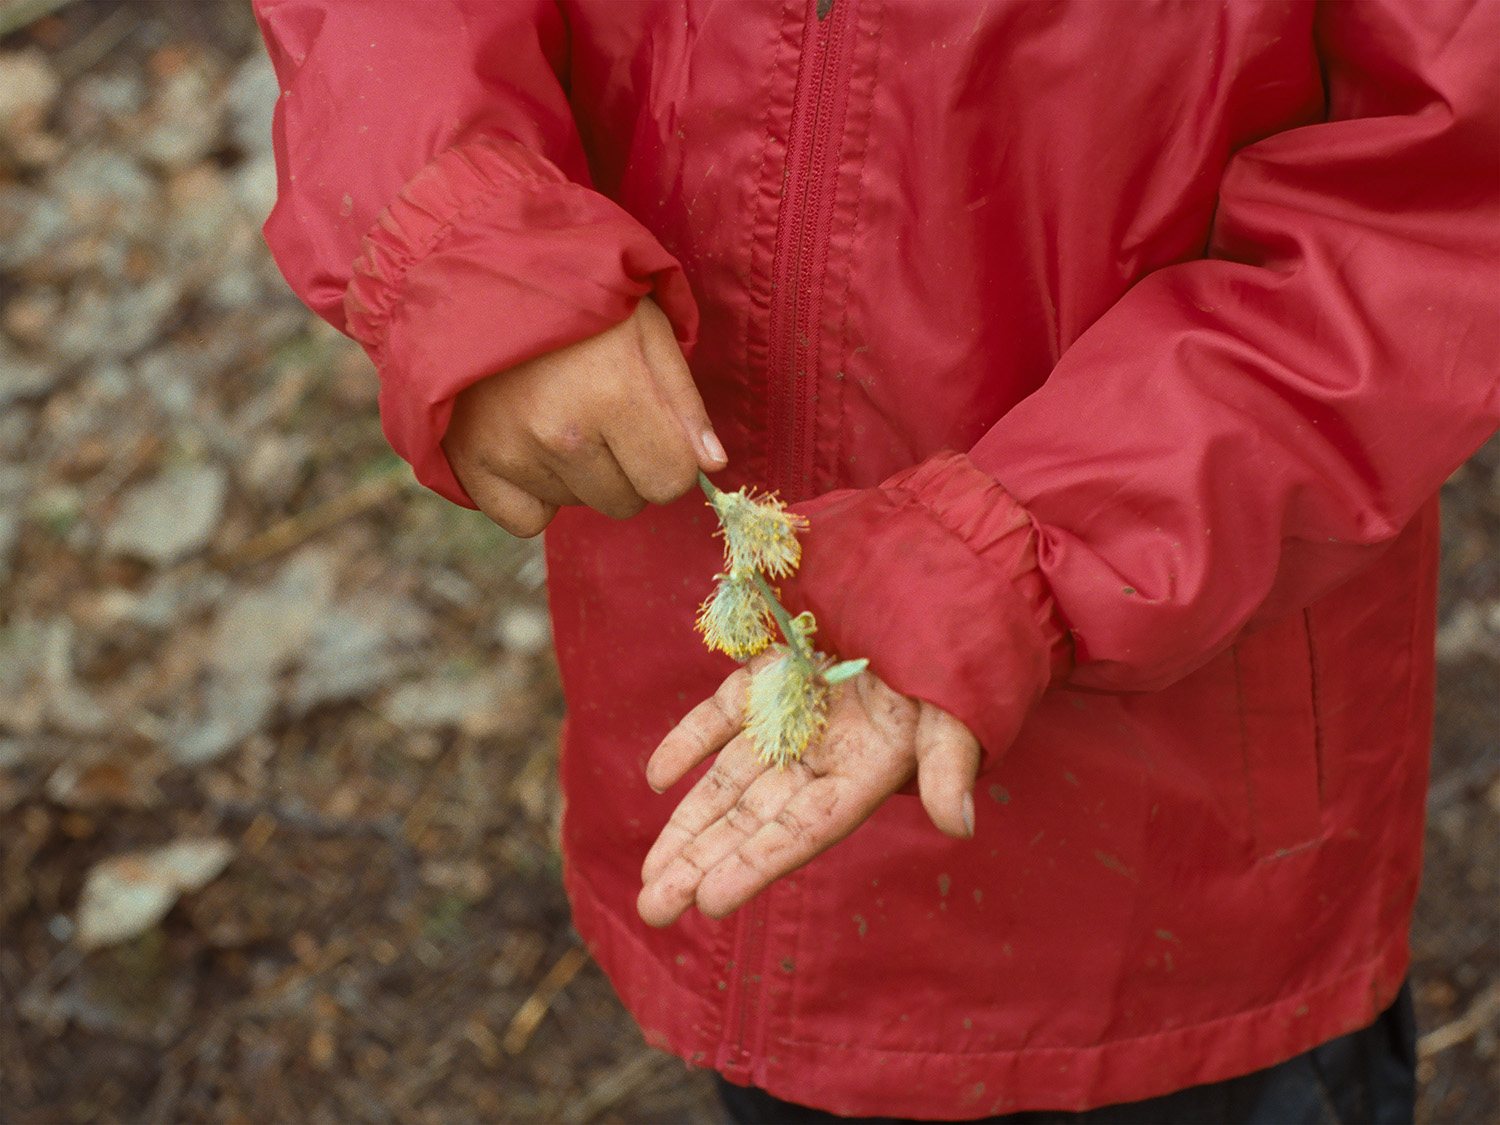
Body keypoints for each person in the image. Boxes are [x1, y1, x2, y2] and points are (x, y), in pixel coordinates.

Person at [253, 1, 1499, 1120]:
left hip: (1168, 852)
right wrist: (467, 234)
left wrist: (1029, 549)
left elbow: (1439, 204)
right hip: (698, 704)